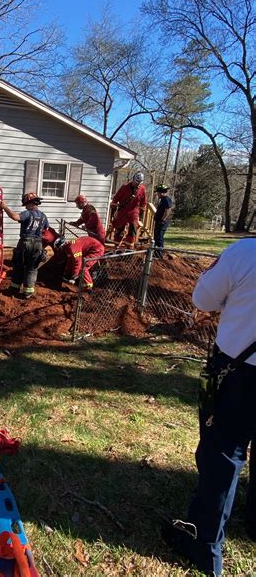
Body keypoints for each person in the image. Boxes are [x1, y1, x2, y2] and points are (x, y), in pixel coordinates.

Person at [162, 238, 256, 576]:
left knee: (223, 453)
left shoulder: (245, 253)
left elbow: (203, 298)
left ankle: (203, 545)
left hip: (241, 374)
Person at [0, 192, 49, 298]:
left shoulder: (27, 213)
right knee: (32, 268)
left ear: (29, 203)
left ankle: (14, 288)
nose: (26, 206)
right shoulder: (44, 216)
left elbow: (14, 216)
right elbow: (46, 230)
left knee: (18, 265)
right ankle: (28, 292)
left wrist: (4, 207)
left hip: (25, 242)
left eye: (26, 204)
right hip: (38, 243)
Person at [110, 172, 147, 248]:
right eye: (137, 182)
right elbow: (115, 199)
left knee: (132, 229)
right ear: (133, 179)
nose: (138, 184)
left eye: (139, 183)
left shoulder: (142, 189)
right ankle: (116, 246)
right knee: (119, 228)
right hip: (123, 211)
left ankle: (129, 248)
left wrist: (140, 216)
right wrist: (113, 213)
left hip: (134, 211)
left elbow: (143, 203)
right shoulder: (124, 187)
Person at [153, 184, 172, 257]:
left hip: (162, 222)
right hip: (158, 221)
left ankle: (159, 254)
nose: (157, 194)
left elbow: (168, 210)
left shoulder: (166, 199)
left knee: (159, 237)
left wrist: (163, 219)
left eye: (158, 192)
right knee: (156, 237)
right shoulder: (162, 200)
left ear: (162, 192)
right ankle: (155, 252)